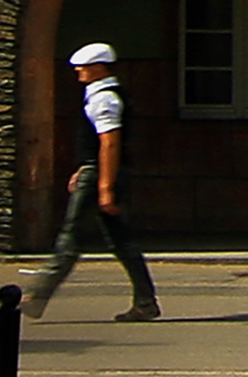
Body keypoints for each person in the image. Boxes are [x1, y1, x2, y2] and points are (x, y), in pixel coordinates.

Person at [26, 42, 161, 322]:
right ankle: (146, 302)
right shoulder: (101, 94)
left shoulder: (105, 98)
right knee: (121, 240)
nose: (79, 72)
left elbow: (110, 143)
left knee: (70, 237)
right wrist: (85, 168)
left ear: (99, 68)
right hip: (99, 171)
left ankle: (36, 296)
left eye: (83, 67)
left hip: (101, 175)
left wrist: (104, 187)